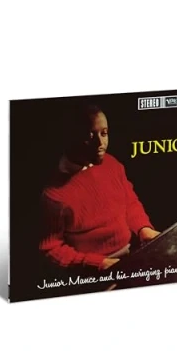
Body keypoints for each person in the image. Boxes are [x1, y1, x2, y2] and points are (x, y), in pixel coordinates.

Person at [39, 104, 160, 270]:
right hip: (93, 270)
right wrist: (97, 263)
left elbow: (130, 203)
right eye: (89, 136)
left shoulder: (112, 164)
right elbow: (51, 249)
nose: (100, 143)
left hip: (132, 252)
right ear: (70, 137)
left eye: (104, 133)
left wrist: (143, 229)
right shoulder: (53, 195)